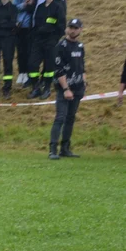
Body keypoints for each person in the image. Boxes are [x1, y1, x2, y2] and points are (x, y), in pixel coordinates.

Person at [49, 19, 87, 159]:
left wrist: (84, 82)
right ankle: (53, 149)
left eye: (75, 28)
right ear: (67, 29)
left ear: (80, 30)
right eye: (70, 27)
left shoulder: (80, 46)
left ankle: (65, 148)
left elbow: (82, 66)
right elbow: (58, 70)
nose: (72, 30)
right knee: (60, 117)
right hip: (64, 89)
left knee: (70, 118)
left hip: (77, 88)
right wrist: (66, 89)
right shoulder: (61, 46)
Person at [28, 0, 66, 100]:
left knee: (49, 67)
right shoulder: (40, 7)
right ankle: (35, 87)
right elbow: (36, 24)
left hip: (51, 41)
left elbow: (61, 26)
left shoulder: (58, 7)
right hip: (38, 41)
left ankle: (47, 88)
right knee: (32, 65)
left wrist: (54, 38)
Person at [13, 0, 38, 89]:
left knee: (30, 52)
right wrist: (24, 4)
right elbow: (14, 8)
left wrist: (31, 5)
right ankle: (21, 72)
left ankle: (29, 74)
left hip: (32, 28)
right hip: (21, 27)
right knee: (20, 51)